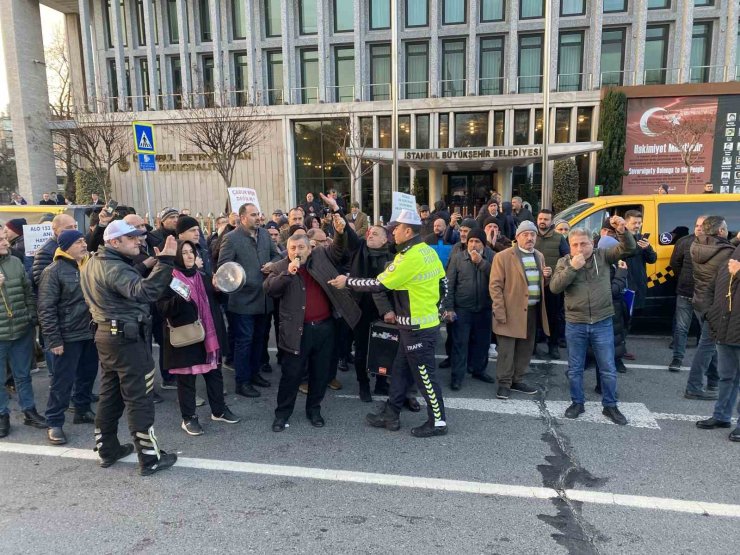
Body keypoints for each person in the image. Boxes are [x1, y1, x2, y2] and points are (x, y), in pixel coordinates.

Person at [329, 209, 448, 438]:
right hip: (415, 326)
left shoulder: (410, 257)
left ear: (408, 231)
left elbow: (378, 284)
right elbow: (443, 282)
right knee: (401, 371)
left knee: (425, 377)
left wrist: (347, 281)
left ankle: (438, 422)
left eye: (397, 228)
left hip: (417, 329)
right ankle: (391, 414)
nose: (393, 232)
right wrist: (439, 309)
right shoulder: (426, 252)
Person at [80, 219, 178, 475]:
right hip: (126, 339)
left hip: (107, 336)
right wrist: (167, 261)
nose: (139, 241)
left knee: (111, 394)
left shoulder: (95, 263)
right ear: (114, 242)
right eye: (132, 237)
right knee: (139, 398)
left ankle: (107, 449)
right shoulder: (114, 268)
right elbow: (144, 292)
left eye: (139, 236)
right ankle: (150, 458)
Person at [264, 215, 361, 432]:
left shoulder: (321, 257)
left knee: (320, 373)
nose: (296, 251)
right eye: (292, 248)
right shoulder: (280, 266)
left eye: (300, 247)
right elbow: (269, 289)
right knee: (291, 375)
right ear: (286, 249)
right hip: (296, 331)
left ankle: (314, 410)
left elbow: (338, 249)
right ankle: (282, 414)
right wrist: (287, 275)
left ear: (310, 248)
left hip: (324, 328)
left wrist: (339, 232)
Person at [550, 218, 636, 425]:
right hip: (575, 322)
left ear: (592, 243)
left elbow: (629, 248)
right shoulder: (564, 261)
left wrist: (622, 230)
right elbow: (554, 287)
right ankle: (577, 402)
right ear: (570, 245)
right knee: (575, 367)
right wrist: (572, 267)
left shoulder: (604, 256)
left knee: (607, 367)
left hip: (602, 321)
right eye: (575, 244)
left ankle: (610, 405)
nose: (579, 248)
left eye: (584, 243)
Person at [156, 241, 240, 436]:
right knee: (186, 380)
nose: (189, 256)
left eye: (191, 252)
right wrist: (180, 297)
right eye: (184, 253)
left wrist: (220, 291)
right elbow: (162, 309)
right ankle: (189, 418)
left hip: (209, 335)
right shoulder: (167, 278)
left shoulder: (203, 276)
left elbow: (219, 302)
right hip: (186, 336)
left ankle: (219, 410)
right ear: (176, 256)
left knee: (214, 373)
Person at [38, 230, 98, 445]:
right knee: (63, 381)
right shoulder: (53, 271)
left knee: (88, 374)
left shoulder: (88, 265)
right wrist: (54, 340)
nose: (84, 245)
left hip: (90, 332)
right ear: (66, 247)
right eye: (79, 242)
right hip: (67, 335)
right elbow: (46, 308)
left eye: (84, 241)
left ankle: (82, 410)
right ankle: (54, 422)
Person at [217, 202, 281, 398]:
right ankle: (242, 382)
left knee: (259, 340)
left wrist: (273, 264)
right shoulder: (231, 238)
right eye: (253, 215)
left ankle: (254, 374)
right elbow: (224, 268)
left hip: (264, 299)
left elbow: (277, 256)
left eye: (259, 214)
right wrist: (242, 279)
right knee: (244, 342)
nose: (258, 218)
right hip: (243, 300)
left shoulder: (264, 235)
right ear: (243, 217)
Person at [489, 221, 550, 400]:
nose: (530, 238)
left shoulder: (539, 255)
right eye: (526, 234)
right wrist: (499, 311)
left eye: (533, 234)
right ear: (517, 237)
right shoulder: (503, 256)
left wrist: (547, 277)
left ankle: (517, 380)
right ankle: (504, 383)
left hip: (532, 310)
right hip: (509, 310)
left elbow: (539, 284)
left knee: (525, 348)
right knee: (507, 349)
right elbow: (495, 286)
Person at [0, 228, 46, 438]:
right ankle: (2, 415)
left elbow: (28, 291)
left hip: (21, 330)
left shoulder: (15, 262)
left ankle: (29, 411)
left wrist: (31, 316)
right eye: (0, 239)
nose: (6, 242)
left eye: (4, 238)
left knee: (23, 375)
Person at [685, 216, 736, 400]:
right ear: (721, 231)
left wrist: (735, 241)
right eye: (725, 228)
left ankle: (713, 380)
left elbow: (718, 248)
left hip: (700, 300)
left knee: (712, 344)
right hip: (716, 305)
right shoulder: (728, 252)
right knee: (707, 346)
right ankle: (693, 386)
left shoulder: (696, 245)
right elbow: (726, 254)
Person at [444, 228, 494, 390]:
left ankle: (479, 370)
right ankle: (457, 377)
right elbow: (449, 284)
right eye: (471, 241)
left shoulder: (491, 256)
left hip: (485, 308)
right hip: (462, 308)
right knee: (460, 343)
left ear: (483, 244)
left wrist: (481, 262)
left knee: (483, 343)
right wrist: (449, 308)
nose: (473, 244)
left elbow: (497, 277)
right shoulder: (458, 258)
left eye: (477, 241)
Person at [698, 249, 740, 441]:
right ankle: (721, 416)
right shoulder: (728, 259)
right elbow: (711, 289)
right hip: (724, 329)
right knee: (726, 377)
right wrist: (709, 313)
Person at [668, 216, 707, 373]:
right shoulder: (684, 241)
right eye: (697, 225)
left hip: (705, 294)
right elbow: (674, 263)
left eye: (702, 226)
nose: (698, 228)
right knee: (681, 328)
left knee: (706, 329)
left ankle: (705, 361)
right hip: (685, 291)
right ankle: (677, 358)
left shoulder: (715, 244)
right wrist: (684, 278)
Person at [535, 209, 570, 359]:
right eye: (541, 218)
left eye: (546, 219)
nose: (543, 221)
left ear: (551, 222)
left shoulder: (559, 238)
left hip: (552, 285)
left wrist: (555, 273)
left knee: (553, 316)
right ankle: (533, 346)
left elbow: (567, 259)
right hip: (533, 284)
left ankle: (553, 345)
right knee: (534, 317)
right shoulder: (530, 235)